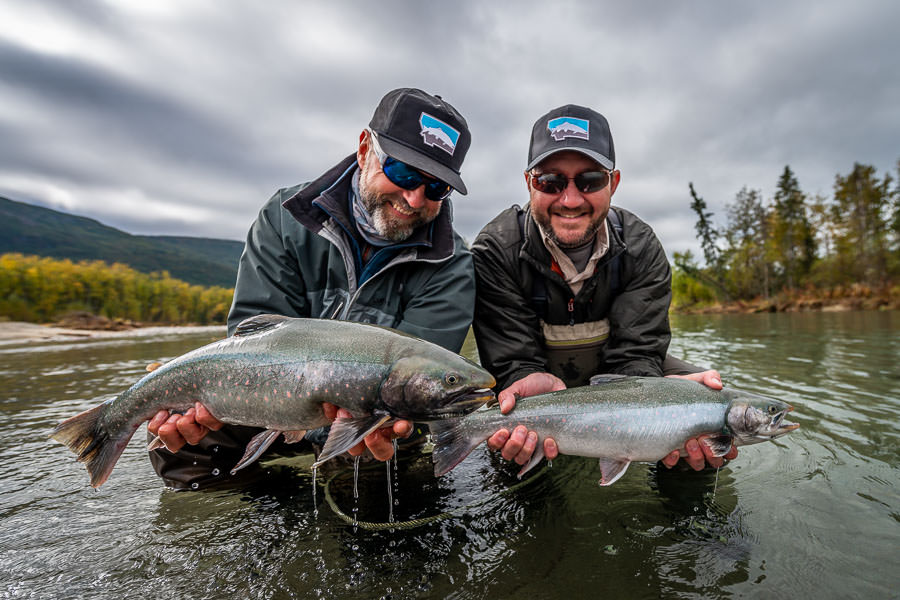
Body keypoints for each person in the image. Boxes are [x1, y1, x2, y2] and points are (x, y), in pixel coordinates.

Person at [146, 88, 474, 489]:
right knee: (176, 444)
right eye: (402, 173)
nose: (413, 197)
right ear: (364, 149)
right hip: (274, 397)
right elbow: (253, 335)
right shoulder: (285, 218)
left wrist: (342, 428)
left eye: (436, 187)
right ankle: (271, 504)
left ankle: (340, 493)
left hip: (368, 422)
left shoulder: (453, 264)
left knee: (379, 460)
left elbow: (420, 386)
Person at [470, 104, 738, 472]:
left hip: (621, 374)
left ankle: (684, 523)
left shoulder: (641, 246)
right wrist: (519, 380)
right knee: (513, 455)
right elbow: (513, 360)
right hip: (540, 381)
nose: (570, 199)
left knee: (702, 419)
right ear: (529, 182)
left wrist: (672, 405)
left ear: (613, 183)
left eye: (590, 180)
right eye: (550, 181)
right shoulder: (495, 250)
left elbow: (637, 356)